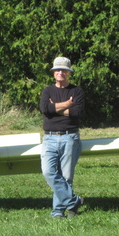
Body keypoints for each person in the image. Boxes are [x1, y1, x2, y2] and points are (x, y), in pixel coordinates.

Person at [39, 57, 85, 218]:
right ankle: (74, 201)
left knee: (66, 176)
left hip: (70, 137)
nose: (60, 73)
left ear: (69, 73)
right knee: (48, 171)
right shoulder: (47, 91)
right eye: (57, 70)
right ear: (53, 73)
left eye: (64, 70)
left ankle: (58, 211)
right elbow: (45, 109)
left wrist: (55, 108)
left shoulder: (76, 91)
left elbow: (77, 113)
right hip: (49, 138)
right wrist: (67, 104)